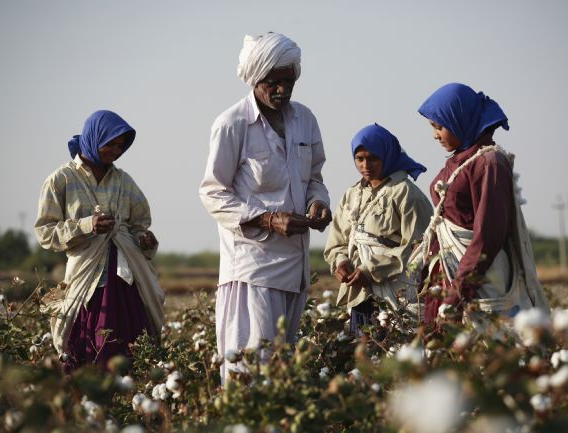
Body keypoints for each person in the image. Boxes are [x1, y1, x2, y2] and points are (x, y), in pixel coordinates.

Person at [199, 32, 331, 381]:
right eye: (273, 83)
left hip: (295, 266)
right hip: (252, 268)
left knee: (282, 372)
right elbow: (213, 192)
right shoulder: (232, 123)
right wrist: (269, 219)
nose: (282, 91)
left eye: (288, 82)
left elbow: (314, 176)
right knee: (250, 370)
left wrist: (319, 202)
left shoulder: (305, 119)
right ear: (255, 79)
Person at [410, 83, 549, 325]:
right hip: (449, 273)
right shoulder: (458, 160)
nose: (435, 135)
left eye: (439, 127)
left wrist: (460, 290)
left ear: (458, 119)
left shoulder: (490, 163)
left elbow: (488, 236)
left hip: (478, 278)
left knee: (480, 351)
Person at [35, 110, 164, 370]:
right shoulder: (61, 180)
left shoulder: (124, 181)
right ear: (94, 138)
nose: (116, 151)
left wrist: (144, 239)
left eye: (120, 146)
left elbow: (139, 225)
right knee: (87, 348)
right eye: (111, 143)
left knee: (132, 345)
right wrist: (86, 226)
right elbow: (45, 232)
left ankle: (132, 403)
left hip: (125, 277)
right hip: (86, 277)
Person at [324, 124, 433, 332]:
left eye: (373, 158)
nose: (366, 165)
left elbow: (418, 247)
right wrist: (341, 262)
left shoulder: (406, 194)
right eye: (360, 159)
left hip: (398, 293)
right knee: (364, 355)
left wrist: (370, 270)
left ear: (387, 155)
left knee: (398, 355)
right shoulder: (352, 195)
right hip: (359, 294)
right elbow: (337, 241)